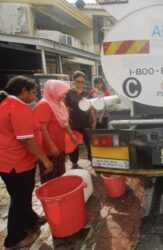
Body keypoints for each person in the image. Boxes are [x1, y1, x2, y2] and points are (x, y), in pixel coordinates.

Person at [0, 76, 53, 249]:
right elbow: (26, 140)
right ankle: (14, 239)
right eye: (33, 92)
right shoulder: (16, 107)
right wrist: (45, 159)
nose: (35, 96)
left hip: (7, 162)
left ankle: (30, 218)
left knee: (22, 194)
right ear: (23, 90)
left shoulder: (5, 104)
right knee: (19, 199)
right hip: (16, 163)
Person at [33, 80, 77, 183]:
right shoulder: (44, 105)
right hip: (48, 148)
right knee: (50, 176)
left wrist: (72, 135)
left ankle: (60, 193)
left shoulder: (59, 104)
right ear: (54, 91)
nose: (65, 96)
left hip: (59, 145)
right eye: (63, 93)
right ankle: (51, 197)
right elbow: (42, 129)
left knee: (60, 173)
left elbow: (65, 123)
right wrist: (52, 146)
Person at [65, 71, 96, 168]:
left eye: (82, 82)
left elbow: (91, 108)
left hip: (86, 122)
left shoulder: (87, 94)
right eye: (78, 81)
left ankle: (92, 161)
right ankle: (74, 163)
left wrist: (94, 120)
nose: (80, 84)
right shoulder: (69, 94)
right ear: (73, 81)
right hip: (74, 123)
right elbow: (66, 109)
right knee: (74, 143)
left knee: (89, 143)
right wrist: (67, 122)